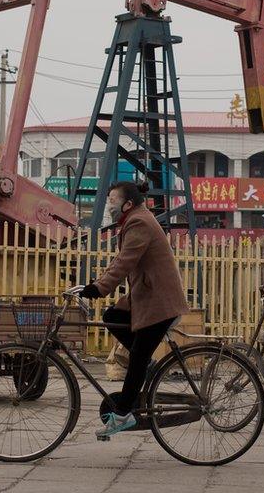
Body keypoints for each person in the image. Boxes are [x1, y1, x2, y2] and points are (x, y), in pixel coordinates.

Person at [79, 181, 190, 438]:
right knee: (112, 316)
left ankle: (123, 414)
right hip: (148, 296)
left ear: (128, 204)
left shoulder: (139, 222)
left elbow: (125, 262)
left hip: (159, 302)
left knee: (137, 356)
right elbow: (120, 262)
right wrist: (96, 284)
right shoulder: (135, 219)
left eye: (112, 201)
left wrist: (99, 288)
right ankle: (149, 365)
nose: (109, 206)